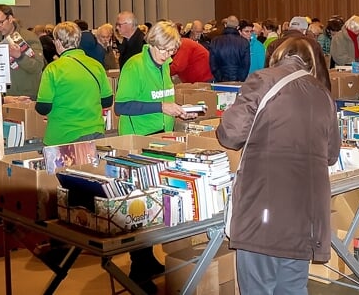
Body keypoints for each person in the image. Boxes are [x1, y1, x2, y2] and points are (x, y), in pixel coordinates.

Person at [217, 36, 340, 295]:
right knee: (293, 287)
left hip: (264, 209)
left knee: (257, 285)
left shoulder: (262, 80)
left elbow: (230, 133)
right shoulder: (323, 94)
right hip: (305, 215)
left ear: (277, 55)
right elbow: (331, 154)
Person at [114, 21, 196, 293]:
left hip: (162, 139)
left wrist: (179, 111)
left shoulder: (163, 66)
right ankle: (138, 268)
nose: (169, 56)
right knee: (140, 203)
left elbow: (164, 100)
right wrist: (162, 106)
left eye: (172, 51)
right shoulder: (134, 66)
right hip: (139, 143)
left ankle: (147, 260)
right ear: (152, 44)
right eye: (165, 51)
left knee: (154, 204)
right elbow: (122, 106)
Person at [36, 22, 113, 145]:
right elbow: (107, 101)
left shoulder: (53, 69)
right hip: (95, 132)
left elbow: (43, 107)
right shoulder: (96, 65)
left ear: (58, 42)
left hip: (63, 136)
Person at [0, 4, 45, 98]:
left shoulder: (29, 38)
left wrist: (20, 56)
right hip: (4, 97)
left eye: (0, 22)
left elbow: (37, 67)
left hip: (26, 96)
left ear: (10, 18)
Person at [265, 16, 331, 90]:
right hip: (306, 90)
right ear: (304, 31)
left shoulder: (273, 44)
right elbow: (321, 73)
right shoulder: (313, 44)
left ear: (289, 28)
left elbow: (267, 71)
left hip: (279, 90)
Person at [209, 16, 250, 82]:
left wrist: (220, 79)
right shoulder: (244, 42)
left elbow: (213, 64)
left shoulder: (215, 41)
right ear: (238, 27)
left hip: (220, 79)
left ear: (225, 25)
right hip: (238, 80)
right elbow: (246, 65)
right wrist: (240, 79)